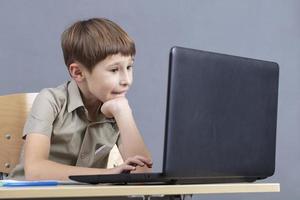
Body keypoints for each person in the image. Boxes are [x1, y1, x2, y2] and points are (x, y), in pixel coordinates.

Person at [9, 18, 152, 180]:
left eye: (129, 67)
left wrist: (124, 113)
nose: (126, 80)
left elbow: (143, 176)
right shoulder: (50, 101)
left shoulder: (116, 109)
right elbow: (35, 170)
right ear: (77, 73)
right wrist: (106, 175)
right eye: (114, 70)